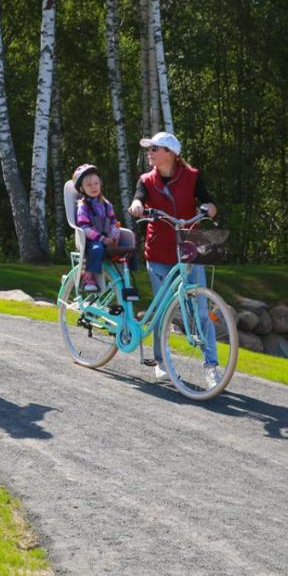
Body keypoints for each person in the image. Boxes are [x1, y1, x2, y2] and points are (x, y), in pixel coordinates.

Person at [127, 131, 221, 387]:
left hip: (190, 249)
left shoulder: (192, 177)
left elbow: (209, 203)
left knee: (201, 311)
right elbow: (139, 198)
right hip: (159, 253)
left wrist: (209, 209)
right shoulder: (146, 180)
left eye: (154, 149)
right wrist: (137, 205)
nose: (149, 153)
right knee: (162, 312)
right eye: (148, 150)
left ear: (170, 153)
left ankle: (212, 366)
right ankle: (161, 362)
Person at [72, 163, 121, 294]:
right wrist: (102, 239)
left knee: (126, 247)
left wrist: (114, 235)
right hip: (90, 240)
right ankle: (88, 277)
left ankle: (126, 276)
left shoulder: (106, 204)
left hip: (106, 238)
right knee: (97, 248)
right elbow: (85, 228)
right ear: (82, 188)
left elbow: (113, 222)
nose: (93, 187)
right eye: (89, 185)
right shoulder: (83, 206)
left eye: (96, 183)